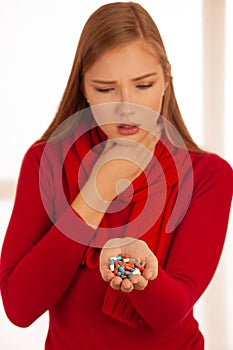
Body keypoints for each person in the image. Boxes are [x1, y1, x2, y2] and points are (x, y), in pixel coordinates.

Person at [0, 2, 232, 349]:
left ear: (167, 78)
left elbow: (171, 314)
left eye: (143, 85)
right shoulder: (45, 161)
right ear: (83, 87)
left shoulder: (209, 175)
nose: (127, 106)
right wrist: (96, 194)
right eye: (105, 89)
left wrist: (133, 267)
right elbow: (19, 306)